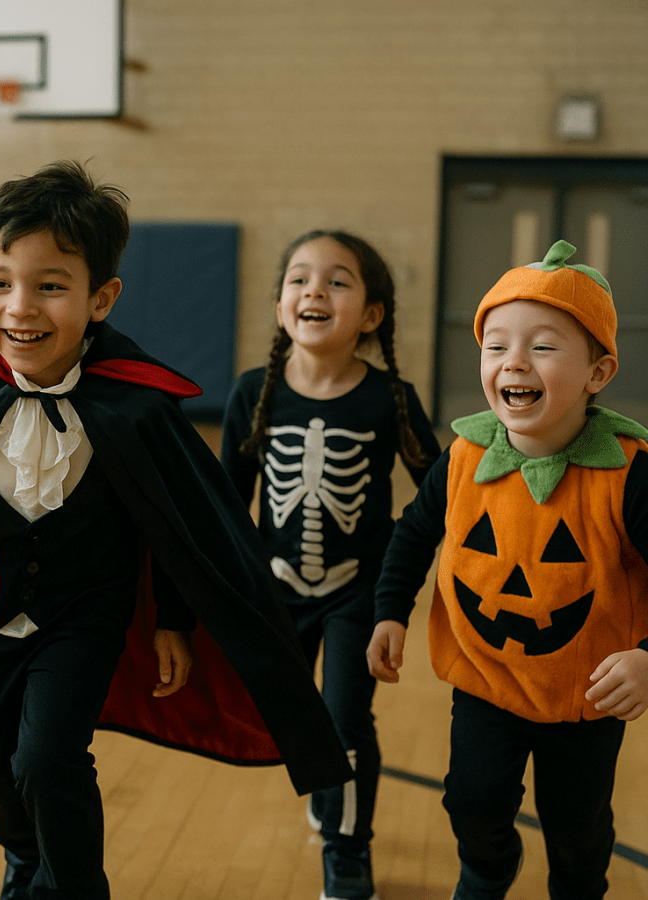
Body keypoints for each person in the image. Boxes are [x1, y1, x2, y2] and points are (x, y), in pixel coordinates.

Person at [0, 160, 351, 900]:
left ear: (101, 298)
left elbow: (180, 529)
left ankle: (72, 887)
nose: (19, 307)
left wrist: (174, 622)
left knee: (48, 759)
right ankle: (24, 851)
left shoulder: (137, 404)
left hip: (85, 612)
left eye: (50, 286)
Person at [366, 240, 648, 900]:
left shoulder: (628, 472)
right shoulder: (464, 455)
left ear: (598, 371)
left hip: (586, 698)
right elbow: (412, 537)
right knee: (472, 801)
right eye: (496, 346)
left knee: (577, 831)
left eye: (543, 346)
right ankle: (490, 866)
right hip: (488, 678)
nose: (513, 361)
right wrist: (388, 610)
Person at [221, 230, 440, 900]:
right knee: (294, 719)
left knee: (347, 722)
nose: (314, 290)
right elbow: (228, 505)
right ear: (283, 303)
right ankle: (325, 790)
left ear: (371, 316)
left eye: (337, 281)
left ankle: (348, 854)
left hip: (356, 593)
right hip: (276, 591)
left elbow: (438, 496)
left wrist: (397, 597)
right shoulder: (253, 393)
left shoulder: (390, 398)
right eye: (299, 279)